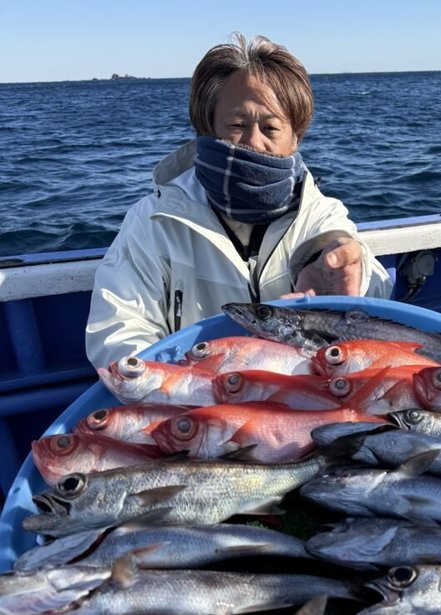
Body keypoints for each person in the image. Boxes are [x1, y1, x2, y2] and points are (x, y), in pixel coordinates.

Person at [85, 33, 393, 369]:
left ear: (296, 137)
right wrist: (184, 385)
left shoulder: (321, 215)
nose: (253, 141)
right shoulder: (155, 222)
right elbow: (117, 331)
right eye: (237, 124)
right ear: (207, 127)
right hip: (196, 404)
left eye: (271, 128)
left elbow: (375, 294)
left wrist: (353, 273)